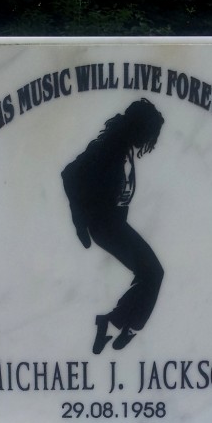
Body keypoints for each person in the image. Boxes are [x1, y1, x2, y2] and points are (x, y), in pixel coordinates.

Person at [61, 98, 165, 354]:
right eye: (150, 134)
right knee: (153, 273)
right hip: (105, 225)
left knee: (149, 273)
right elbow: (69, 173)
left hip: (113, 223)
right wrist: (80, 223)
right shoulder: (108, 148)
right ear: (138, 128)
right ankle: (122, 324)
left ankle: (117, 324)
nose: (150, 141)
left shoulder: (123, 147)